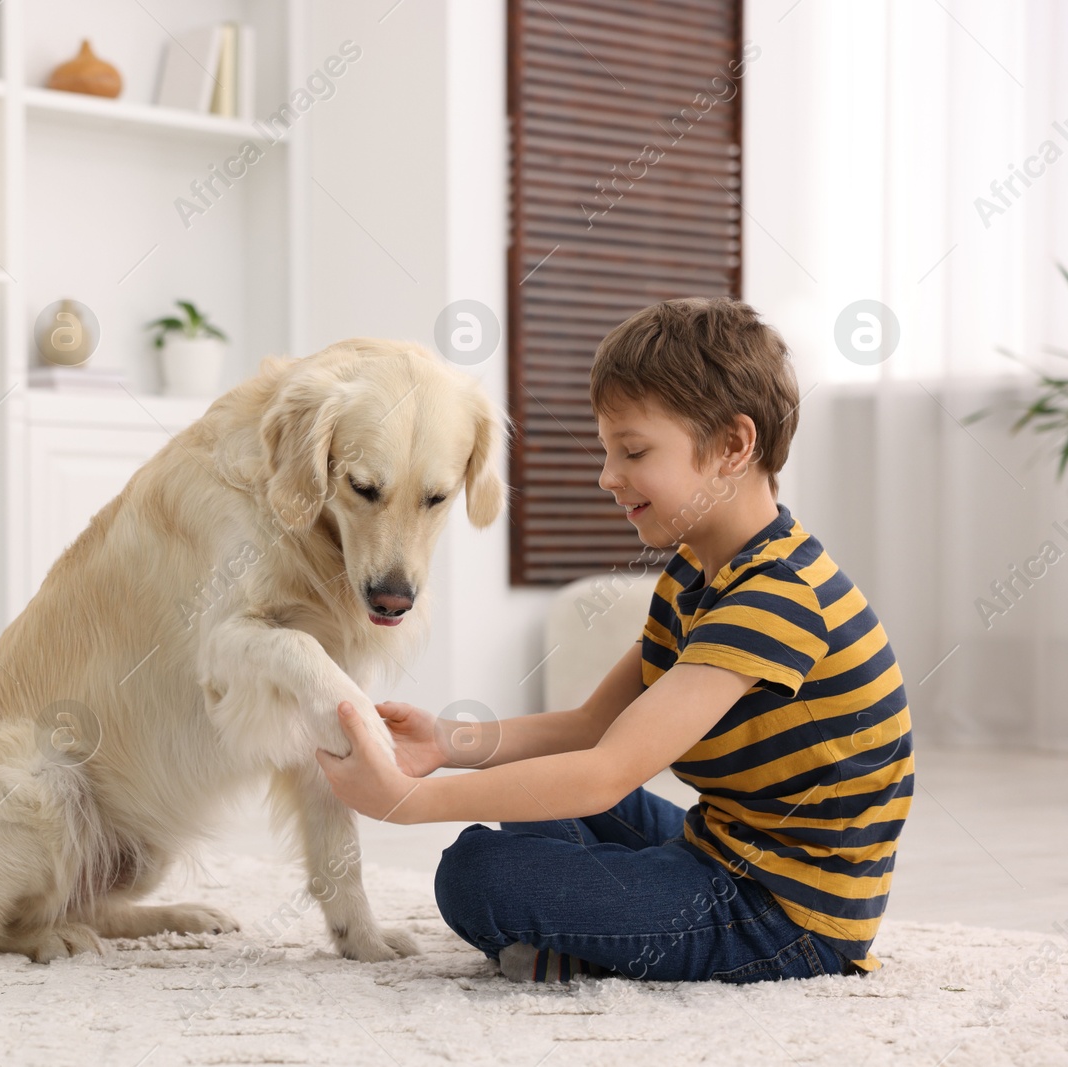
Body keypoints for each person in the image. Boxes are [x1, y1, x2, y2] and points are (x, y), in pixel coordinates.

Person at [314, 297, 913, 984]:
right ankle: (594, 935)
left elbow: (607, 770)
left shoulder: (777, 596)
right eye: (607, 451)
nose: (608, 476)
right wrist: (450, 743)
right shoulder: (697, 569)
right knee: (530, 803)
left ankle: (593, 945)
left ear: (732, 446)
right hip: (720, 848)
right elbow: (592, 726)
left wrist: (406, 802)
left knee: (475, 871)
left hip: (787, 916)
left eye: (633, 451)